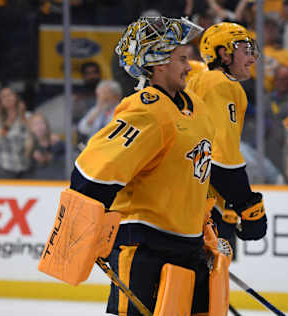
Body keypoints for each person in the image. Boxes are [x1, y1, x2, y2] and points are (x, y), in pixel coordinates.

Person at [67, 16, 219, 315]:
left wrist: (203, 219)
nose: (189, 66)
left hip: (190, 245)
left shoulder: (196, 106)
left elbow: (192, 174)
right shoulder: (145, 110)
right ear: (160, 63)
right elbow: (92, 170)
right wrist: (84, 229)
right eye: (182, 59)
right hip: (146, 245)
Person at [187, 22, 267, 242]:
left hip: (190, 193)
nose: (252, 59)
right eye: (245, 51)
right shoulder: (220, 84)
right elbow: (220, 158)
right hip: (197, 202)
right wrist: (247, 204)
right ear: (224, 53)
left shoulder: (202, 80)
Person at [0, 87, 34, 179]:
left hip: (24, 167)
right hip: (3, 166)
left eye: (10, 95)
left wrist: (21, 115)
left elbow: (32, 134)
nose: (8, 98)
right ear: (0, 102)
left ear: (16, 97)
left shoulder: (28, 117)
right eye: (4, 97)